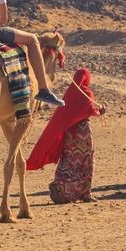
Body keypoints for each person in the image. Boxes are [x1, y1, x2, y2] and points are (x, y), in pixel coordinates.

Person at [26, 68, 105, 203]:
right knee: (85, 161)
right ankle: (85, 193)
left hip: (69, 134)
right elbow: (90, 111)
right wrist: (100, 112)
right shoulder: (86, 93)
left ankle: (62, 189)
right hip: (82, 132)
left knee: (68, 159)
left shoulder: (70, 94)